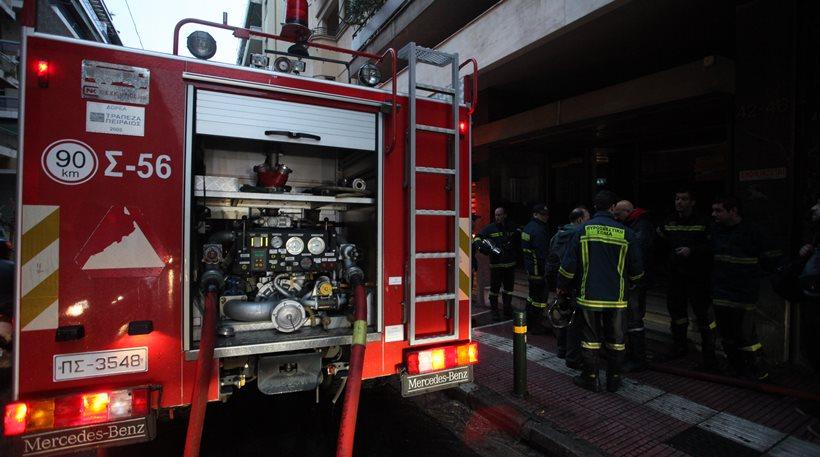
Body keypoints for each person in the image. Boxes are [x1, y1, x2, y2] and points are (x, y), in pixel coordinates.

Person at [558, 191, 644, 393]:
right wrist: (633, 283)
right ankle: (614, 380)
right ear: (612, 207)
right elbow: (637, 269)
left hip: (589, 297)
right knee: (617, 341)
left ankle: (590, 378)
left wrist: (562, 285)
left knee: (590, 340)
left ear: (595, 207)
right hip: (617, 299)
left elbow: (568, 265)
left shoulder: (583, 230)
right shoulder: (626, 233)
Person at [710, 195, 781, 380]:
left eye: (718, 210)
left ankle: (757, 368)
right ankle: (735, 367)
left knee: (745, 334)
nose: (714, 214)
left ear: (733, 211)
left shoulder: (753, 232)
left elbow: (771, 259)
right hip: (721, 291)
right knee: (726, 333)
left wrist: (757, 275)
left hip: (744, 292)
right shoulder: (715, 231)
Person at [657, 188, 717, 369]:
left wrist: (693, 251)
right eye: (677, 198)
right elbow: (659, 244)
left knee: (703, 316)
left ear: (692, 202)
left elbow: (713, 246)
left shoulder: (703, 222)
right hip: (676, 276)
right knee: (677, 314)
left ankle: (709, 356)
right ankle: (679, 346)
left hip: (698, 276)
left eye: (684, 199)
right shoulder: (669, 221)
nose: (679, 202)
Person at [614, 200, 654, 372]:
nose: (616, 217)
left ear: (628, 211)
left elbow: (637, 254)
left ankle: (638, 358)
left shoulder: (640, 227)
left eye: (618, 214)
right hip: (630, 279)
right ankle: (633, 354)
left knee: (634, 318)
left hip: (635, 281)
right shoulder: (632, 225)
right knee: (630, 318)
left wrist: (634, 279)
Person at [547, 206, 589, 368]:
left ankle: (561, 349)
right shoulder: (580, 234)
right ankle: (573, 356)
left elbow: (551, 259)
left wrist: (556, 284)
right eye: (588, 218)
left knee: (563, 316)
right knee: (575, 321)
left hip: (560, 282)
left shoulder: (558, 234)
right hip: (574, 283)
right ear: (580, 219)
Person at [475, 207, 518, 320]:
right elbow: (478, 237)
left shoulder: (512, 227)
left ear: (505, 215)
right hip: (496, 266)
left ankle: (507, 310)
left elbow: (518, 241)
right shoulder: (490, 228)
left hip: (510, 265)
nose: (497, 217)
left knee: (508, 290)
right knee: (494, 290)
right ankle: (494, 312)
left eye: (500, 215)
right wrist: (481, 246)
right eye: (496, 215)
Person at [521, 204, 550, 332]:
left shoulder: (528, 227)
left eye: (546, 214)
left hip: (530, 267)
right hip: (539, 269)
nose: (545, 217)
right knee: (540, 299)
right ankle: (536, 325)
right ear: (535, 214)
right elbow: (542, 253)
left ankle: (528, 321)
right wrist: (547, 270)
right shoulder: (539, 230)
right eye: (542, 214)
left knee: (532, 296)